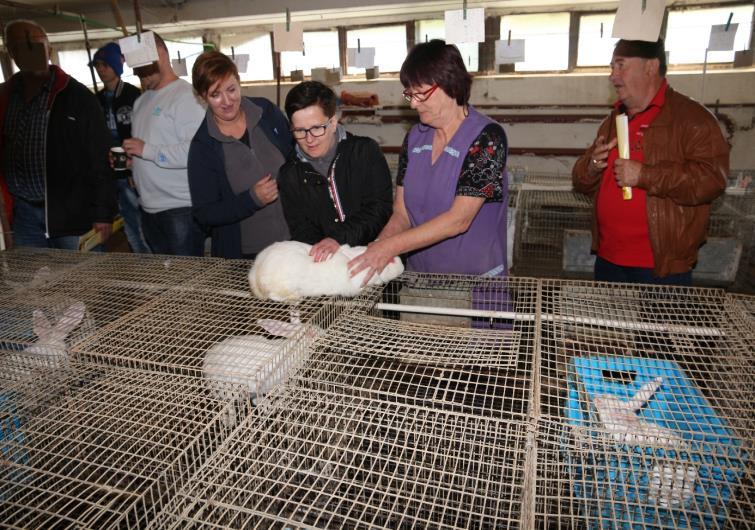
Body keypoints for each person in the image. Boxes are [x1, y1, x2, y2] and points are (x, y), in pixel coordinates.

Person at [348, 39, 508, 281]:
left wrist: (390, 248)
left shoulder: (487, 137)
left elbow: (459, 220)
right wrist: (379, 244)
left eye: (421, 94)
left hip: (475, 284)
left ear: (450, 85)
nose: (413, 103)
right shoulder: (414, 138)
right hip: (420, 279)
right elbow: (402, 214)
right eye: (409, 94)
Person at [572, 39, 728, 286]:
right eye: (612, 67)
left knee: (659, 326)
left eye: (621, 66)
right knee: (608, 326)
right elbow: (581, 182)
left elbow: (711, 180)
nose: (613, 76)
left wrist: (645, 175)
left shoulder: (693, 119)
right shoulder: (614, 119)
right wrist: (591, 167)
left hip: (661, 267)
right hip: (608, 257)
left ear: (651, 67)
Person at [0, 20, 116, 250]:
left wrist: (103, 213)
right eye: (21, 46)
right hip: (24, 216)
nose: (30, 52)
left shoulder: (77, 97)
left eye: (35, 45)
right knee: (33, 282)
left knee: (82, 281)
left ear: (49, 50)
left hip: (72, 214)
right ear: (12, 53)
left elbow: (99, 157)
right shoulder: (5, 97)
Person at [188, 50, 293, 259]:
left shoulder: (266, 112)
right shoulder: (203, 146)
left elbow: (293, 156)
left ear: (239, 81)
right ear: (202, 97)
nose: (227, 101)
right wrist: (251, 199)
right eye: (215, 94)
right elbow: (205, 214)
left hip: (294, 240)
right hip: (247, 255)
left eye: (231, 89)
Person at [278, 81, 393, 263]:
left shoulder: (364, 152)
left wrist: (338, 239)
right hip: (327, 268)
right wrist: (322, 254)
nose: (309, 139)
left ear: (333, 122)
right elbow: (301, 228)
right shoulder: (289, 174)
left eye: (317, 128)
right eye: (299, 131)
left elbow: (379, 208)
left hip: (376, 258)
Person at [124, 31, 206, 256]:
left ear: (160, 54)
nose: (137, 72)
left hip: (180, 209)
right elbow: (150, 149)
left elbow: (195, 151)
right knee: (166, 279)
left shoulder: (187, 96)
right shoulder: (141, 101)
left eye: (141, 64)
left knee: (186, 281)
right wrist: (132, 160)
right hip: (148, 207)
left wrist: (145, 150)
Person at [90, 41, 150, 253]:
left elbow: (143, 133)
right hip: (106, 171)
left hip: (129, 170)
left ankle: (148, 263)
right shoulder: (94, 101)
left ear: (116, 66)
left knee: (137, 221)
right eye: (97, 66)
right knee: (115, 223)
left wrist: (137, 168)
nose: (100, 70)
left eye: (104, 65)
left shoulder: (133, 96)